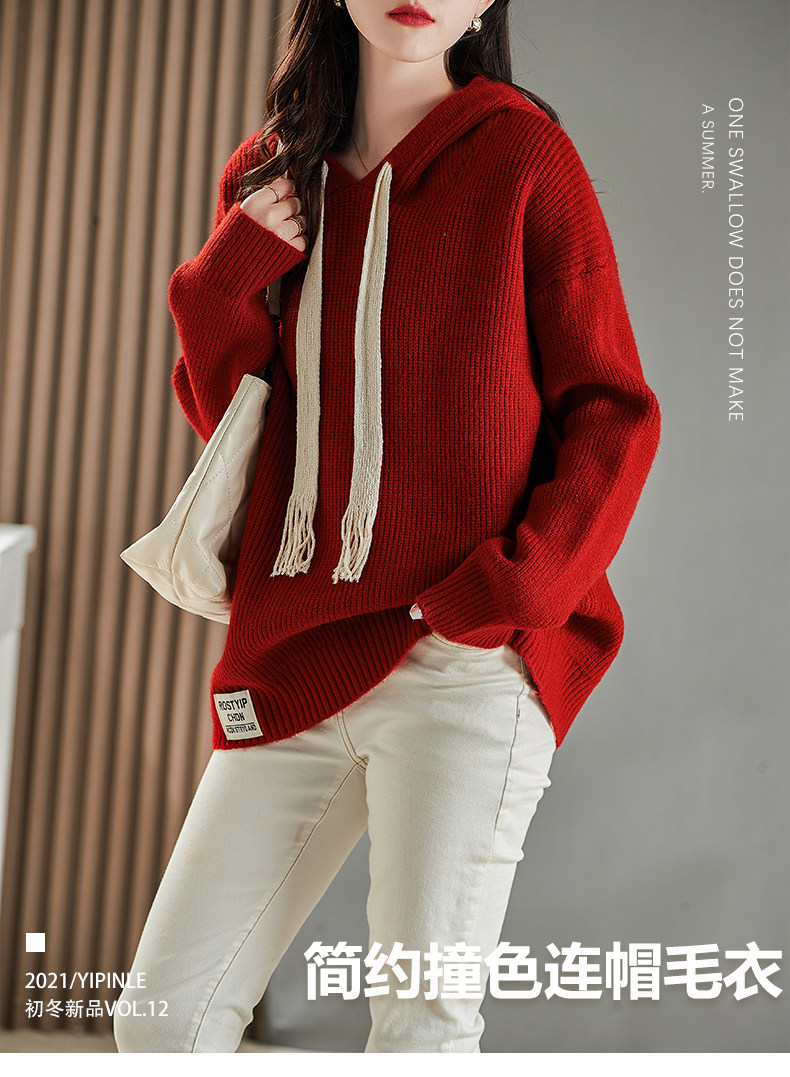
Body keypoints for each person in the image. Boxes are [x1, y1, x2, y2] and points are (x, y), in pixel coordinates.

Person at [114, 0, 661, 1054]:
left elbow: (613, 408)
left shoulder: (525, 159)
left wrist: (517, 588)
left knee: (419, 1031)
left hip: (463, 663)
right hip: (299, 648)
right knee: (161, 1022)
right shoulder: (272, 175)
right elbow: (239, 427)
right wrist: (220, 282)